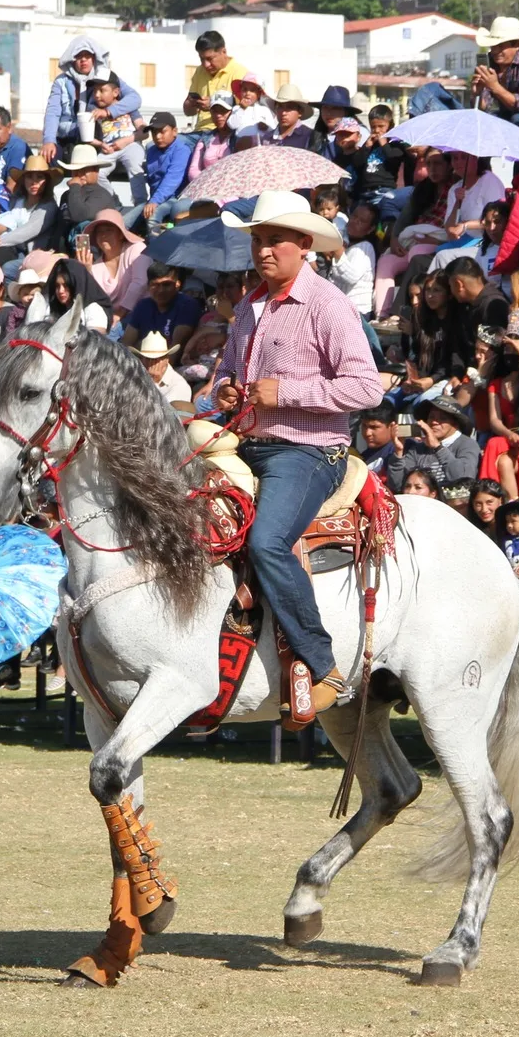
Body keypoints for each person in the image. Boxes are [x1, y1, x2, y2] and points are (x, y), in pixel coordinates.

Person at [214, 191, 384, 726]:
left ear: (304, 245)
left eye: (274, 241)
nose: (263, 252)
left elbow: (366, 387)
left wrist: (284, 392)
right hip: (247, 444)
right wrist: (222, 389)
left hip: (310, 451)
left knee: (267, 541)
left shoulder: (328, 304)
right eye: (257, 241)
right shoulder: (248, 306)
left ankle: (322, 662)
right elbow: (228, 373)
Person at [471, 17, 519, 123]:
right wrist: (477, 94)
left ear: (516, 45)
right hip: (502, 115)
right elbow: (484, 107)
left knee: (518, 119)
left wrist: (494, 86)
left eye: (501, 46)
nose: (495, 51)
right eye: (493, 46)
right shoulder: (490, 61)